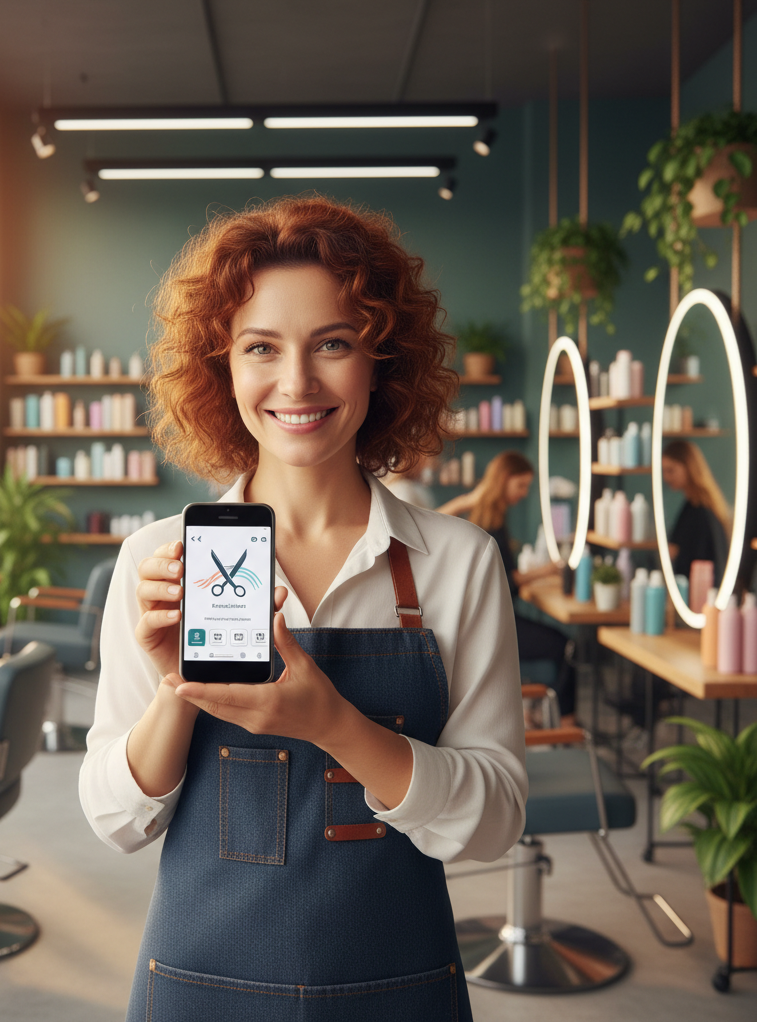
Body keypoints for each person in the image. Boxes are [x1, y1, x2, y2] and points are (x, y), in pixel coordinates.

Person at [79, 196, 526, 1021]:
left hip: (401, 991)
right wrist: (177, 686)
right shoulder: (156, 561)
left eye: (333, 343)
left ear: (381, 361)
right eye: (260, 348)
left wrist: (334, 724)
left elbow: (497, 819)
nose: (296, 383)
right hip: (196, 987)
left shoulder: (459, 564)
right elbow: (115, 818)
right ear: (223, 369)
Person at [438, 451, 578, 726]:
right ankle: (565, 723)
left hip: (490, 619)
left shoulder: (492, 517)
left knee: (558, 642)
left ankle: (547, 716)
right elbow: (508, 579)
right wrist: (547, 570)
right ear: (503, 480)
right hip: (490, 625)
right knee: (566, 646)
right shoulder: (488, 520)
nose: (524, 493)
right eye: (521, 485)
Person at [661, 439, 730, 586]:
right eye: (664, 471)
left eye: (671, 470)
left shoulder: (701, 511)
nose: (666, 477)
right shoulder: (693, 505)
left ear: (688, 467)